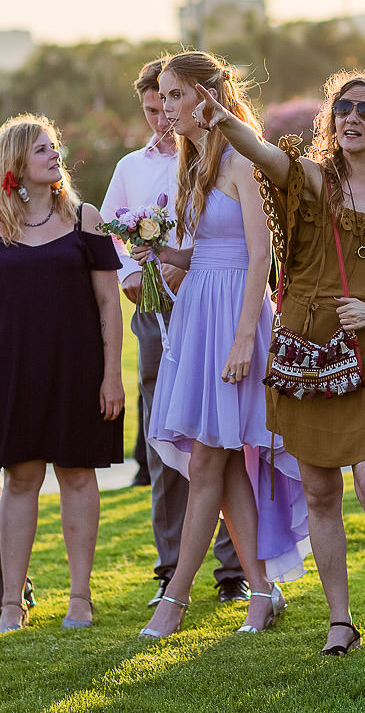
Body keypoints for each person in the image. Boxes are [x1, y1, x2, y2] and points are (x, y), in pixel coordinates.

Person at [192, 69, 365, 666]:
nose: (352, 117)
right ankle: (340, 622)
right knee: (323, 491)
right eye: (344, 108)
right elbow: (266, 155)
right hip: (304, 351)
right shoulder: (309, 180)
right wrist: (227, 122)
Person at [137, 52, 309, 638]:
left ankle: (175, 600)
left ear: (207, 98)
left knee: (211, 457)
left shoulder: (241, 160)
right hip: (198, 312)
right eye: (161, 96)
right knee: (224, 458)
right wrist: (162, 254)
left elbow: (260, 256)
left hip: (236, 316)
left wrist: (242, 342)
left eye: (175, 95)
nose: (164, 107)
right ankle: (262, 592)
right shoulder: (192, 162)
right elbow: (205, 251)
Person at [0, 114, 124, 633]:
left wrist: (112, 376)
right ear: (14, 162)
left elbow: (109, 306)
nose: (55, 155)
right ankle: (12, 602)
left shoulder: (86, 219)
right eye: (41, 149)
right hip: (11, 370)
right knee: (21, 476)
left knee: (78, 473)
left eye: (54, 147)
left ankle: (81, 598)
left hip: (80, 369)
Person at [100, 60, 245, 608]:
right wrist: (133, 273)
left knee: (224, 435)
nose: (162, 117)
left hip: (215, 307)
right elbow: (110, 232)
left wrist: (191, 264)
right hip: (157, 315)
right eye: (152, 108)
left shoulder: (212, 156)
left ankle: (233, 570)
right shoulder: (130, 168)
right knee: (166, 438)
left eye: (169, 104)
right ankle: (170, 565)